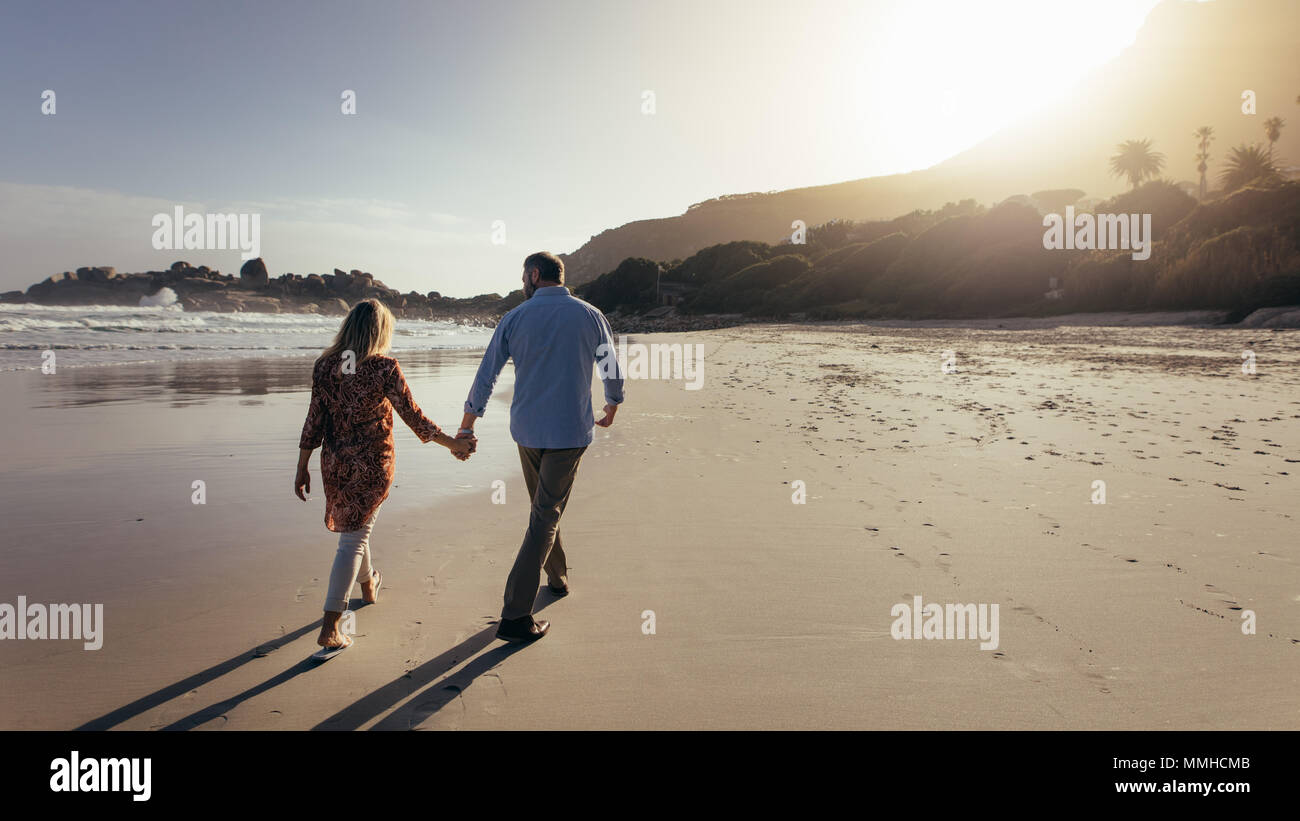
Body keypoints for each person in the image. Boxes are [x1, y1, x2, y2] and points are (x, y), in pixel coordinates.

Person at [459, 251, 624, 643]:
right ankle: (516, 614)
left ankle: (557, 577)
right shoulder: (590, 315)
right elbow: (610, 367)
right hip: (569, 431)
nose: (522, 282)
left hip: (529, 431)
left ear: (534, 275)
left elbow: (487, 374)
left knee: (544, 511)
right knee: (546, 512)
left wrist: (467, 425)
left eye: (523, 275)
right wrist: (612, 403)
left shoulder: (515, 318)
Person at [295, 298, 473, 657]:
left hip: (335, 464)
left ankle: (369, 584)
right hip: (373, 465)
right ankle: (331, 627)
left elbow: (315, 419)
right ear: (379, 331)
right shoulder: (383, 368)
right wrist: (455, 444)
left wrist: (302, 465)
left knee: (356, 529)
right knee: (353, 538)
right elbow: (414, 417)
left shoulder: (325, 366)